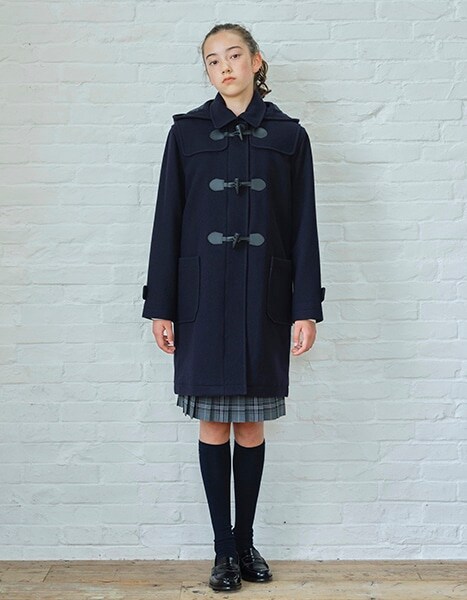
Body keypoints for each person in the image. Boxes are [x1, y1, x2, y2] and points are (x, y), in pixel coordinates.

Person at [142, 23, 325, 593]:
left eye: (234, 55)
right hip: (202, 298)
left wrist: (305, 307)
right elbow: (167, 220)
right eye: (212, 60)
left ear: (256, 61)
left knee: (250, 424)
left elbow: (304, 226)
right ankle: (222, 549)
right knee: (213, 423)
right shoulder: (186, 133)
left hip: (265, 295)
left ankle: (245, 542)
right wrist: (161, 305)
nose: (224, 67)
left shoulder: (290, 136)